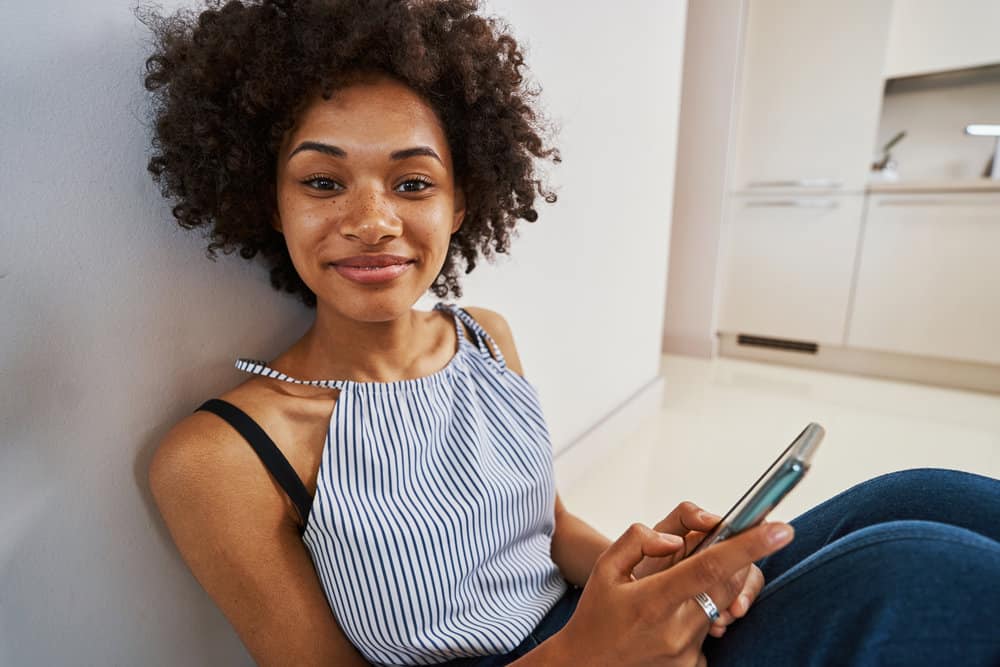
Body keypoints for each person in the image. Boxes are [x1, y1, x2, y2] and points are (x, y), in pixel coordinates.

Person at [142, 1, 1000, 665]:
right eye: (324, 182)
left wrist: (648, 572)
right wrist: (588, 653)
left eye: (412, 183)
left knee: (932, 494)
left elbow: (543, 529)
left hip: (596, 630)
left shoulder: (484, 338)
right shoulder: (220, 458)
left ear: (462, 199)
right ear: (270, 202)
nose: (372, 221)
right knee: (913, 570)